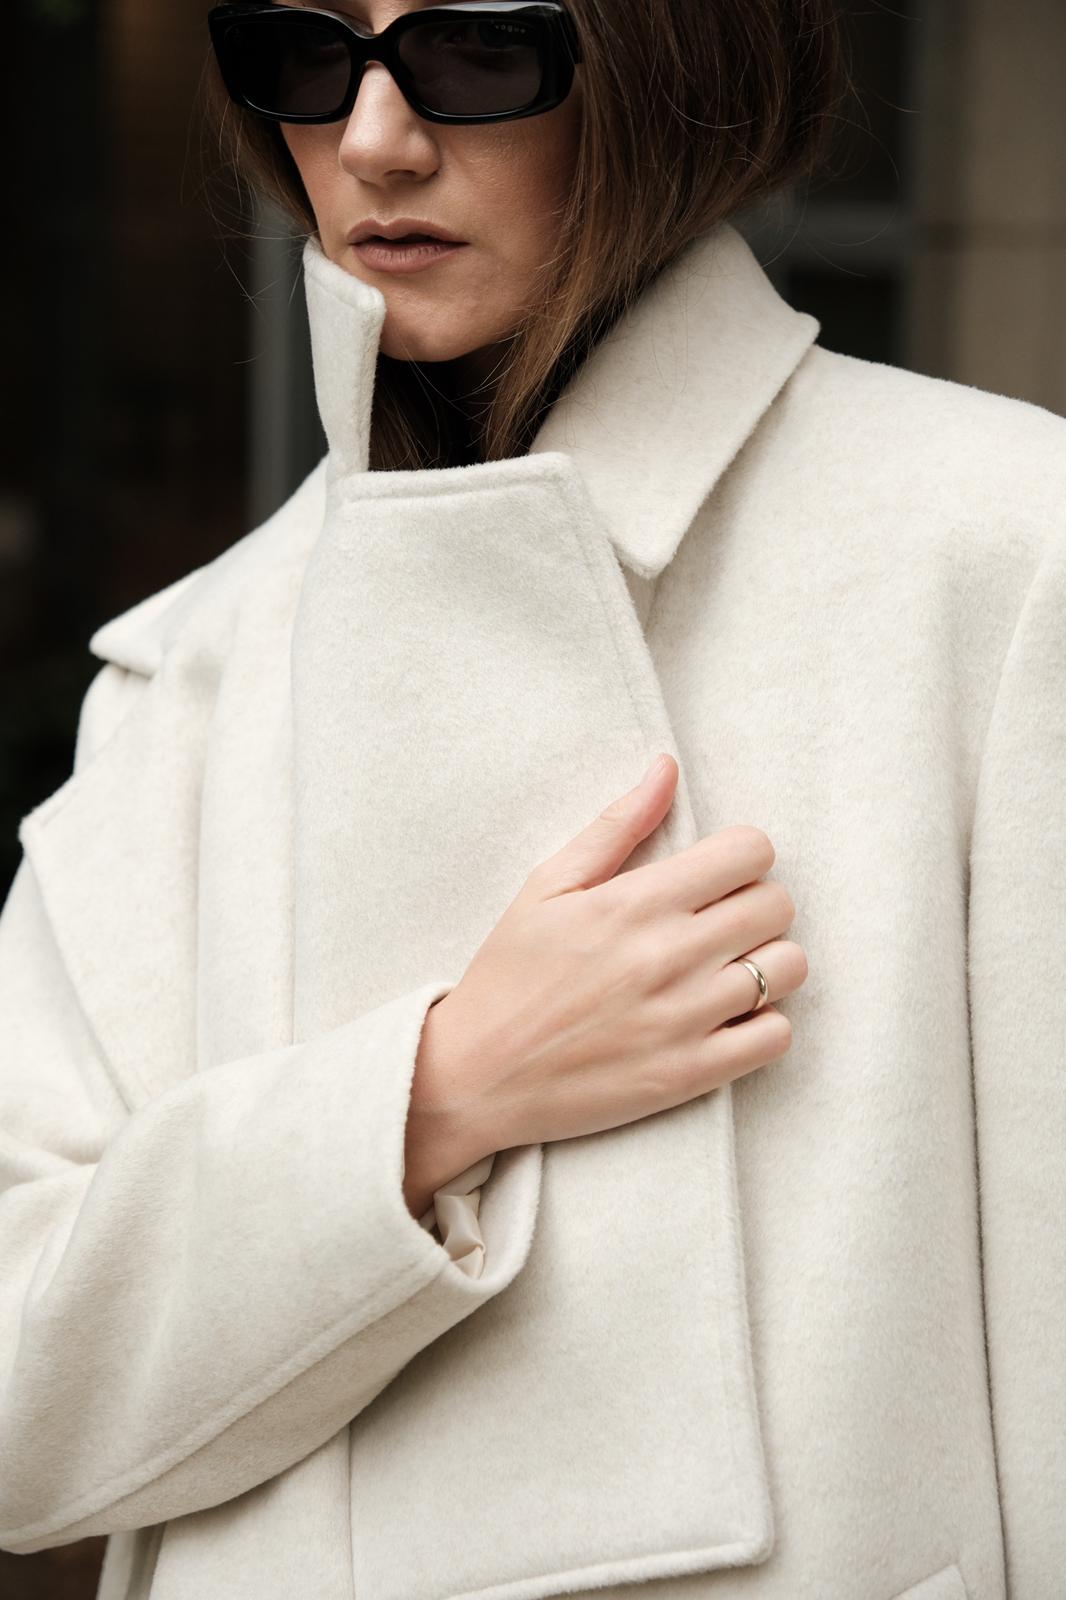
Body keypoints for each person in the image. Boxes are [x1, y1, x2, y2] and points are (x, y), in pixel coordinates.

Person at [0, 1, 1062, 1597]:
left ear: (672, 69)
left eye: (474, 52)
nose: (371, 141)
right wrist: (435, 1096)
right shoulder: (191, 675)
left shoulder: (994, 557)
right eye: (304, 56)